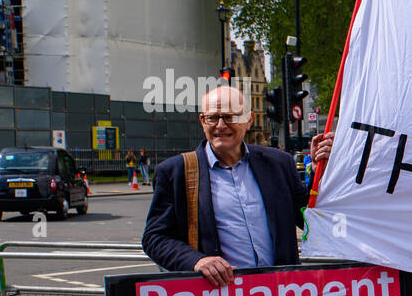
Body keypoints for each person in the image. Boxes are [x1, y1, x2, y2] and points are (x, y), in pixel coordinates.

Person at [142, 85, 334, 285]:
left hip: (280, 294)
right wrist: (197, 261)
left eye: (230, 116)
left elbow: (310, 218)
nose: (220, 125)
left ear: (248, 120)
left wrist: (321, 171)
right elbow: (155, 238)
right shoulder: (176, 172)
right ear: (202, 121)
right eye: (213, 117)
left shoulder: (279, 163)